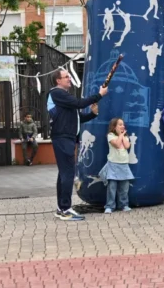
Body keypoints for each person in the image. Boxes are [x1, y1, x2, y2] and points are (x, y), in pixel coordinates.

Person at [48, 69, 107, 221]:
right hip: (63, 138)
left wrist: (93, 113)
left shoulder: (63, 98)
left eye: (69, 76)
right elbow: (79, 103)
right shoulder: (57, 93)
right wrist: (99, 95)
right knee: (68, 174)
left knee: (64, 174)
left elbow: (78, 117)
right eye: (66, 77)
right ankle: (65, 209)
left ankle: (62, 208)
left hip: (66, 138)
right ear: (58, 81)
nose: (69, 78)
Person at [102, 118, 135, 213]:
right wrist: (120, 135)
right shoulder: (110, 136)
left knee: (124, 187)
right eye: (120, 125)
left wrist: (123, 135)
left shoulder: (125, 137)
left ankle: (124, 205)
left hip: (124, 165)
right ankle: (110, 206)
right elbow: (116, 144)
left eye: (123, 124)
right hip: (113, 164)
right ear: (114, 127)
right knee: (111, 187)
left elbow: (127, 146)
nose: (122, 126)